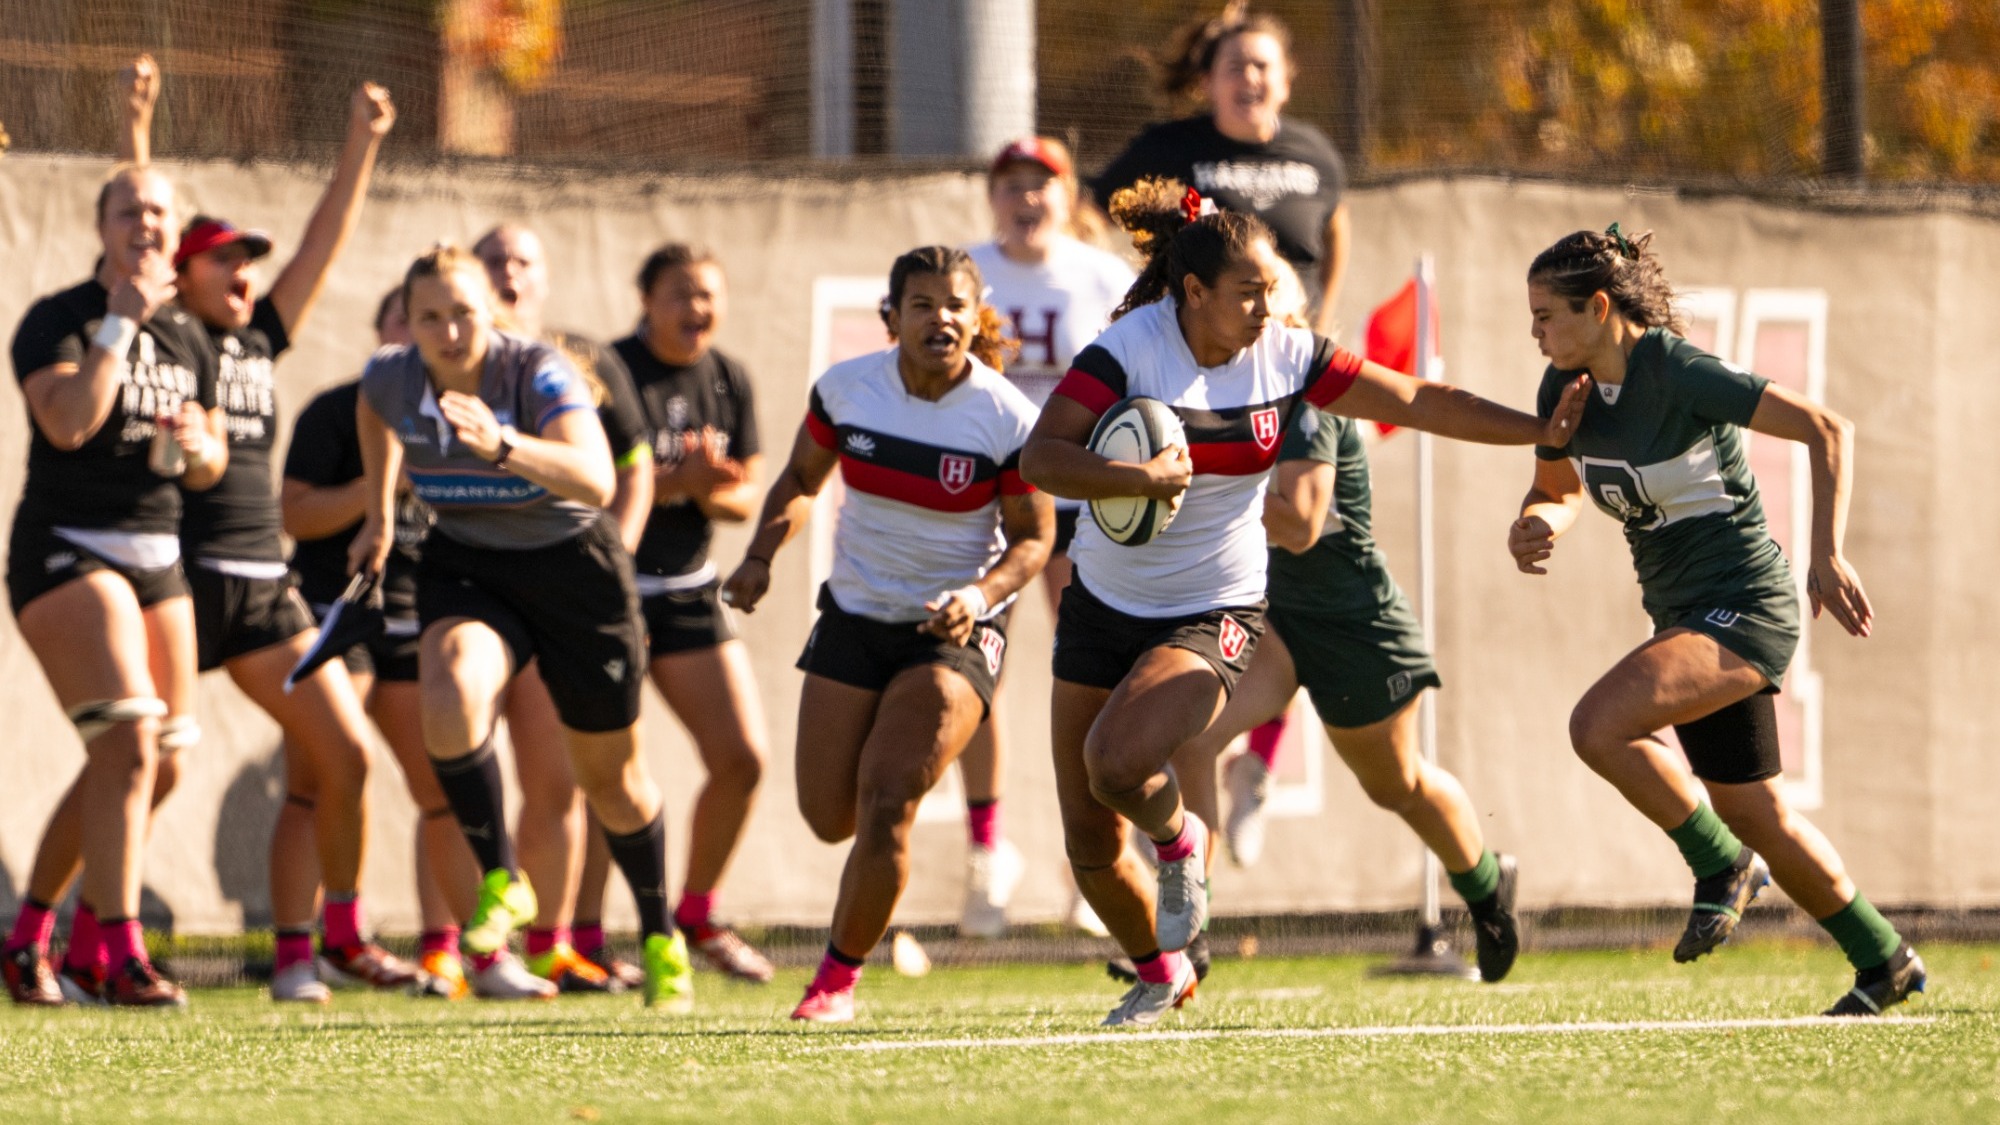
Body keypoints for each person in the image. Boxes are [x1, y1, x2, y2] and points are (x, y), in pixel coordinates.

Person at [1020, 178, 1584, 1027]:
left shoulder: (1290, 355)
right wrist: (1134, 478)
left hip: (1216, 606)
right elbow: (1041, 458)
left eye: (1270, 289)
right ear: (1194, 292)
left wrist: (1534, 430)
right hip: (1103, 601)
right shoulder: (1129, 350)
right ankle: (1166, 967)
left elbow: (1417, 399)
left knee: (1117, 762)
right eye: (1247, 292)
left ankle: (1182, 847)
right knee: (1089, 838)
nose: (1264, 306)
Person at [1509, 225, 1923, 1016]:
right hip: (1686, 615)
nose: (1534, 333)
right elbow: (1557, 490)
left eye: (1545, 315)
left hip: (1747, 607)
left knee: (1598, 725)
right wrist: (1538, 521)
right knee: (1754, 809)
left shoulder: (1676, 369)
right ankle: (1884, 957)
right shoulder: (1562, 388)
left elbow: (1827, 428)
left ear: (1598, 307)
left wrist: (1826, 554)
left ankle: (1719, 864)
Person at [721, 246, 1053, 1024]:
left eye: (955, 305)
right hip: (855, 618)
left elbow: (1034, 539)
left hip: (953, 633)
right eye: (923, 304)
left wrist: (979, 595)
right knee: (829, 815)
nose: (941, 317)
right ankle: (868, 910)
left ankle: (833, 981)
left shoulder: (1006, 417)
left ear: (976, 319)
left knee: (887, 795)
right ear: (891, 318)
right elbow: (802, 479)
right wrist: (760, 557)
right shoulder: (847, 392)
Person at [142, 72, 418, 1003]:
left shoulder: (260, 336)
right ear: (181, 273)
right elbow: (137, 241)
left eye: (246, 261)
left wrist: (362, 140)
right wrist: (140, 132)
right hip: (177, 584)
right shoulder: (167, 331)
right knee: (140, 765)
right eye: (223, 259)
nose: (244, 273)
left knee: (341, 758)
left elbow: (322, 242)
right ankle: (68, 937)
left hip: (266, 590)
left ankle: (317, 945)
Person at [353, 244, 681, 1007]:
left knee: (610, 781)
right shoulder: (393, 374)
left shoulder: (536, 371)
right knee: (451, 686)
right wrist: (375, 511)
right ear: (409, 321)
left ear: (489, 313)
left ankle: (662, 934)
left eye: (463, 313)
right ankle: (504, 879)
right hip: (469, 563)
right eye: (428, 316)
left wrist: (503, 445)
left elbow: (599, 478)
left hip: (573, 568)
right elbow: (374, 412)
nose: (448, 330)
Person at [3, 162, 227, 1007]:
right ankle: (118, 951)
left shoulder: (191, 334)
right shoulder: (58, 319)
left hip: (158, 552)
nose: (145, 221)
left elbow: (207, 468)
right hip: (65, 549)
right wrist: (118, 327)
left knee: (157, 763)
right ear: (101, 227)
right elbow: (68, 423)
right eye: (128, 209)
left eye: (160, 212)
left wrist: (199, 444)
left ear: (177, 233)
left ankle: (30, 938)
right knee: (127, 745)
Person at [470, 222, 683, 997]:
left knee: (570, 779)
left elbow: (634, 465)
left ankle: (557, 941)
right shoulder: (450, 369)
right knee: (476, 755)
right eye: (492, 261)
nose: (508, 274)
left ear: (543, 276)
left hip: (574, 592)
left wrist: (613, 562)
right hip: (485, 590)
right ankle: (488, 942)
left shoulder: (581, 360)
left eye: (522, 261)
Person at [281, 287, 486, 1000]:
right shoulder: (337, 410)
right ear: (380, 328)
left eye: (438, 320)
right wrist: (377, 490)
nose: (423, 335)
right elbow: (296, 514)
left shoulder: (466, 413)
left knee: (445, 787)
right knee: (320, 778)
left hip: (419, 614)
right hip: (335, 610)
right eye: (409, 318)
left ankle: (457, 954)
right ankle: (300, 954)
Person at [957, 137, 1136, 939]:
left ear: (1069, 197)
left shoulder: (1102, 278)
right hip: (989, 493)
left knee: (1097, 669)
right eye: (1012, 185)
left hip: (1081, 491)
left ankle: (1095, 857)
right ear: (992, 196)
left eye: (1043, 185)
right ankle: (987, 852)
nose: (1027, 199)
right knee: (973, 663)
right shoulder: (962, 272)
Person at [611, 244, 775, 983]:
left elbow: (746, 495)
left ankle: (697, 913)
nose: (696, 308)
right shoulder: (610, 373)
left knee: (743, 757)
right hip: (611, 589)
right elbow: (594, 486)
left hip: (690, 588)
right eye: (681, 293)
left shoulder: (728, 376)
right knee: (610, 771)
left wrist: (704, 486)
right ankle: (583, 938)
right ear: (646, 300)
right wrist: (684, 478)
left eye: (708, 293)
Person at [1092, 2, 1348, 335]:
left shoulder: (1315, 151)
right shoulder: (1169, 147)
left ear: (1285, 80)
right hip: (1206, 351)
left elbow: (1337, 227)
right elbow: (1090, 212)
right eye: (1235, 67)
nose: (1250, 77)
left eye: (1261, 65)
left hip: (1295, 345)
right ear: (1207, 83)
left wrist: (1323, 316)